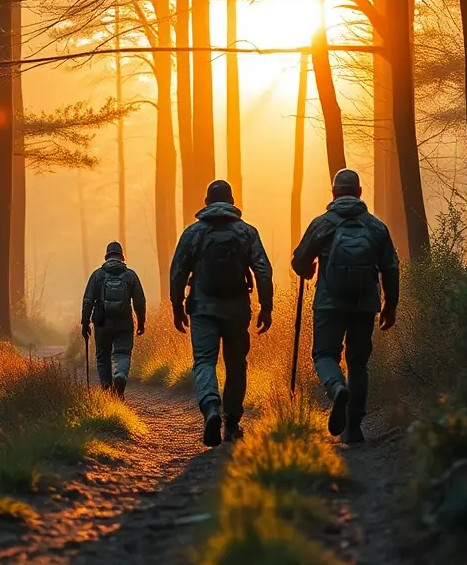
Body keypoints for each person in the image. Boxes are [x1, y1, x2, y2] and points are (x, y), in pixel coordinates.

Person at [291, 168, 399, 444]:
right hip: (365, 304)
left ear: (334, 192)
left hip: (329, 303)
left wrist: (309, 268)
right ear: (360, 193)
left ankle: (336, 387)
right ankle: (353, 428)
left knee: (325, 355)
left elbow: (299, 261)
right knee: (358, 363)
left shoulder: (323, 224)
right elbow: (391, 267)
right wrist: (390, 305)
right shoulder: (376, 227)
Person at [170, 180, 273, 447]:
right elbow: (262, 270)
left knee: (204, 360)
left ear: (206, 203)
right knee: (236, 364)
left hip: (202, 308)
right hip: (237, 308)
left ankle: (211, 409)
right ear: (232, 201)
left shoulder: (193, 233)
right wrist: (266, 306)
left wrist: (177, 307)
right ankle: (232, 421)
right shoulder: (246, 232)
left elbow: (178, 271)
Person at [81, 241, 146, 398]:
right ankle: (120, 376)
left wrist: (85, 322)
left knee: (102, 356)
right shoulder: (130, 275)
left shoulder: (98, 275)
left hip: (102, 322)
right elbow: (139, 300)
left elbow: (88, 299)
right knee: (122, 353)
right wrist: (141, 321)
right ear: (121, 256)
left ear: (107, 256)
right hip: (124, 322)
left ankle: (106, 391)